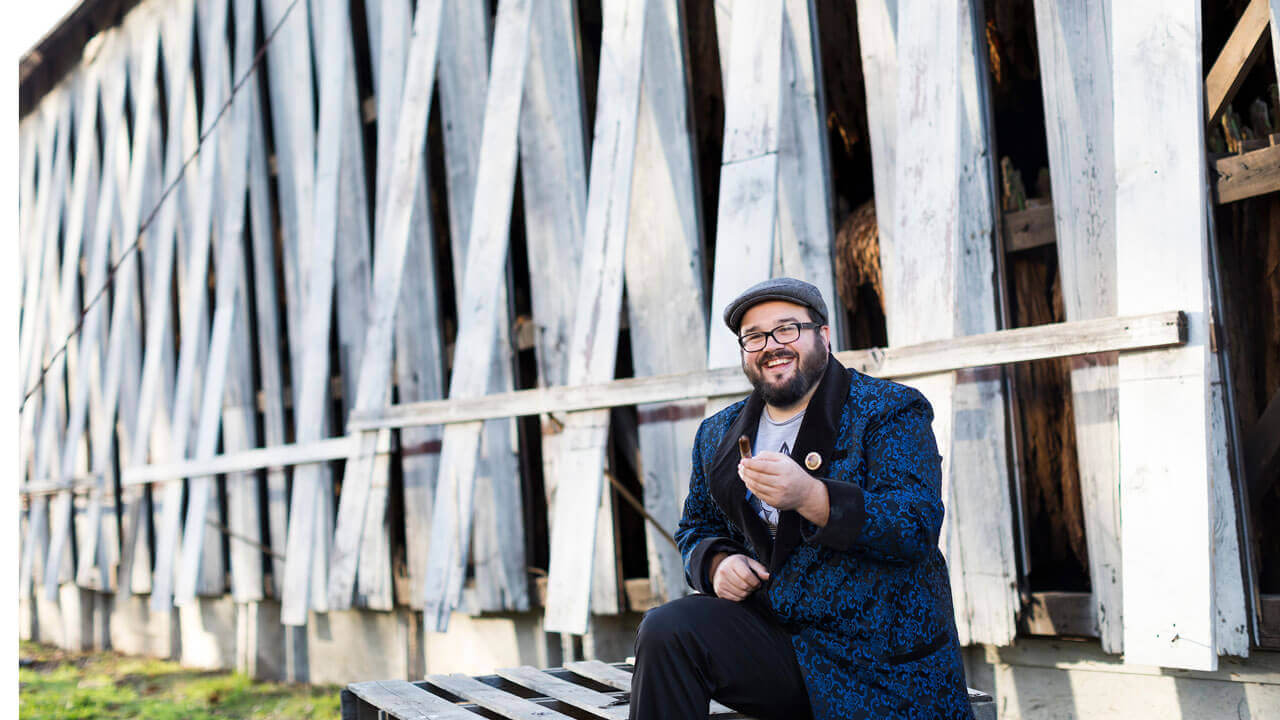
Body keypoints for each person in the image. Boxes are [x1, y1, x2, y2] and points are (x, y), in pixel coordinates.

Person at [628, 277, 973, 720]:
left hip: (879, 660)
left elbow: (915, 524)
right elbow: (696, 527)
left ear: (823, 337)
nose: (771, 345)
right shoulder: (718, 432)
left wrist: (813, 497)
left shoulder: (889, 410)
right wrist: (715, 564)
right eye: (754, 336)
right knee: (667, 630)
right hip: (780, 645)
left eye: (787, 329)